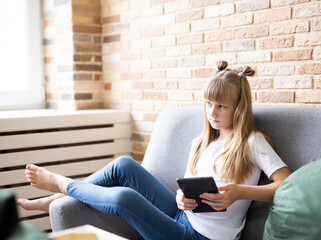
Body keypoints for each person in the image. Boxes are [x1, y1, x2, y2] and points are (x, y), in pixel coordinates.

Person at [17, 60, 291, 240]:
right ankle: (59, 197)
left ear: (238, 108)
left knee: (124, 198)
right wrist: (183, 199)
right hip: (181, 214)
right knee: (124, 164)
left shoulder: (252, 142)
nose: (212, 112)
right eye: (208, 103)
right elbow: (184, 191)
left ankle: (62, 186)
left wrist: (240, 193)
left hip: (202, 237)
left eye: (221, 106)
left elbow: (286, 184)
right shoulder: (202, 142)